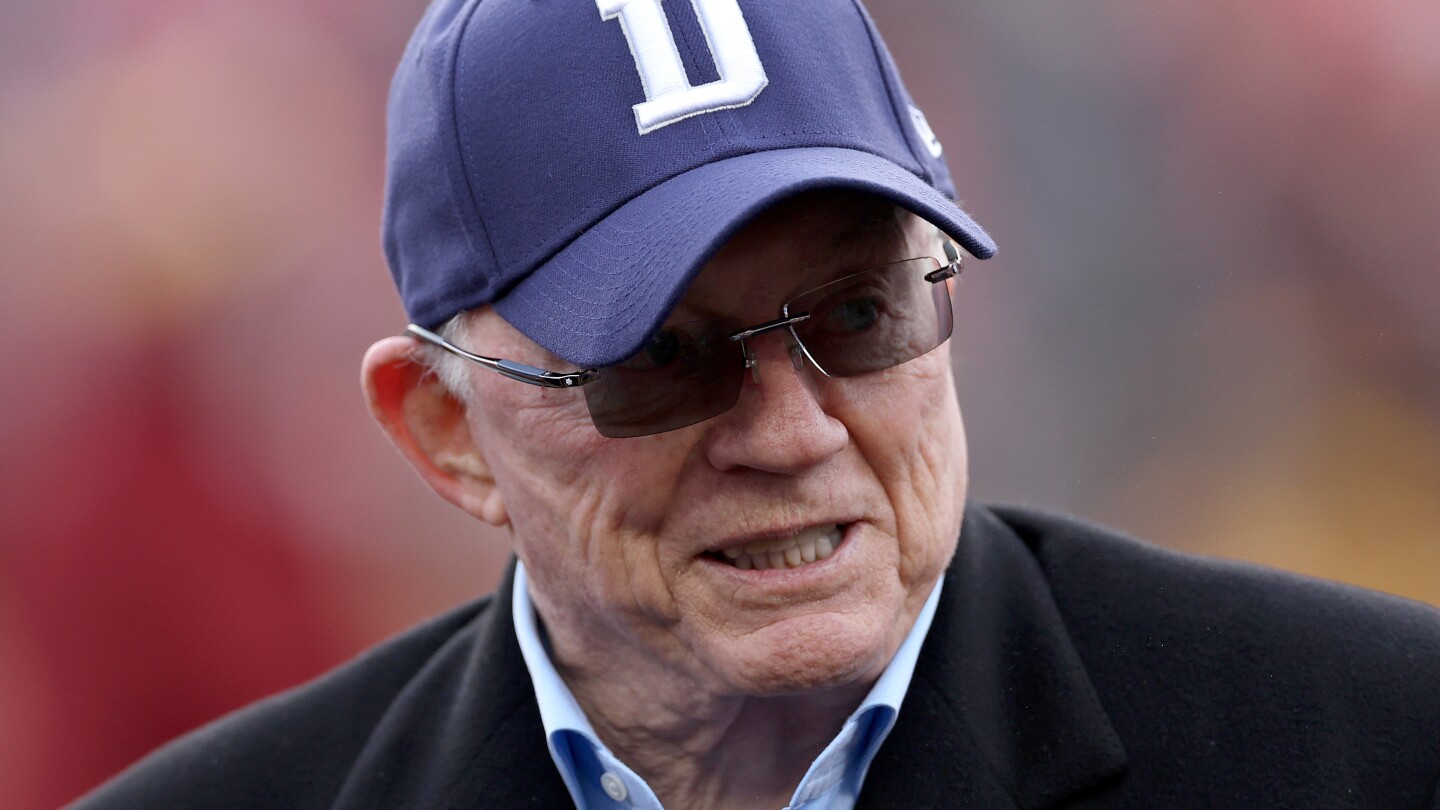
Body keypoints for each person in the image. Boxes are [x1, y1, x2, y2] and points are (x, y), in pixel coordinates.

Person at [76, 0, 1440, 808]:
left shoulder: (1370, 745)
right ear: (445, 432)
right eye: (662, 356)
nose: (794, 434)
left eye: (858, 316)